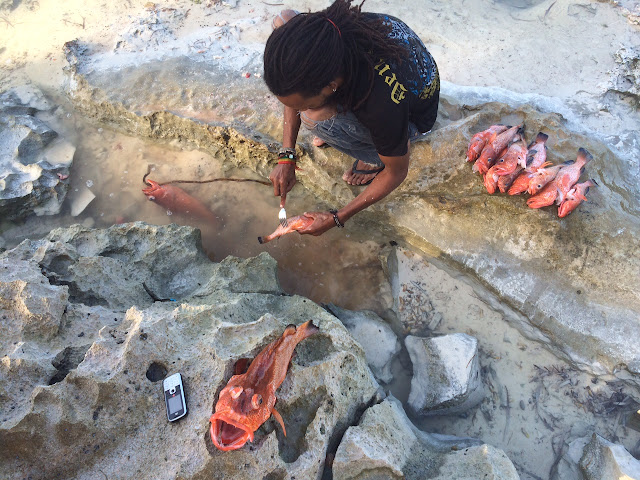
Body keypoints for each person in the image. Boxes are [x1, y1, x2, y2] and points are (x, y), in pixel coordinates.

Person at [264, 0, 440, 236]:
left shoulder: (381, 103)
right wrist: (286, 156)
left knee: (313, 119)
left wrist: (338, 217)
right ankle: (334, 121)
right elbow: (294, 80)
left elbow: (397, 172)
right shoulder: (323, 33)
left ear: (331, 87)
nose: (294, 109)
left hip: (414, 119)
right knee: (283, 20)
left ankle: (373, 156)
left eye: (301, 103)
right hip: (395, 74)